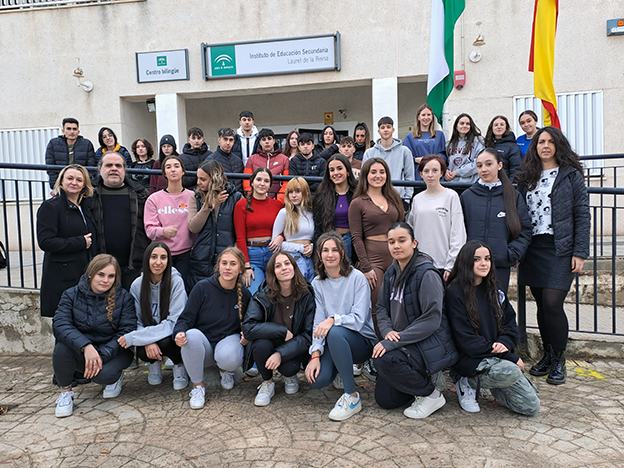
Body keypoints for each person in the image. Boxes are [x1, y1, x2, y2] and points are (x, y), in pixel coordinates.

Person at [516, 127, 590, 385]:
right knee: (540, 304)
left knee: (551, 303)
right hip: (533, 247)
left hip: (561, 248)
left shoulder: (571, 176)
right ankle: (547, 356)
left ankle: (560, 359)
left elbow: (582, 214)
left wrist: (580, 252)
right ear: (535, 147)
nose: (545, 146)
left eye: (550, 141)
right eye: (540, 142)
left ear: (559, 145)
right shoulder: (527, 177)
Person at [372, 223, 458, 418]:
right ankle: (423, 380)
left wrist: (395, 340)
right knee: (386, 400)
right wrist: (387, 332)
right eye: (391, 242)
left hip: (427, 343)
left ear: (414, 243)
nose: (396, 246)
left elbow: (431, 320)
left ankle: (432, 394)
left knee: (383, 358)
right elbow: (382, 307)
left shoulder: (427, 273)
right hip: (403, 343)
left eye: (402, 240)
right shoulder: (391, 272)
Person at [445, 241, 541, 416]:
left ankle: (497, 387)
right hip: (472, 360)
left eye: (487, 258)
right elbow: (466, 340)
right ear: (466, 261)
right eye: (477, 259)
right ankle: (466, 381)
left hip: (495, 356)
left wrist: (504, 342)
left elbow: (510, 324)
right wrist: (507, 355)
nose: (484, 263)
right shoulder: (455, 292)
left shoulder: (494, 289)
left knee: (531, 406)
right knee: (511, 370)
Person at [52, 254, 136, 418]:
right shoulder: (70, 295)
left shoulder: (124, 297)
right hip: (84, 350)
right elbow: (60, 325)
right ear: (91, 273)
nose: (106, 280)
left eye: (111, 276)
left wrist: (102, 354)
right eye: (101, 274)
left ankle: (116, 376)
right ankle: (66, 393)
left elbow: (127, 330)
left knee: (104, 376)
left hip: (114, 351)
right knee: (61, 349)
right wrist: (86, 346)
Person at [305, 232, 377, 421]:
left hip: (361, 341)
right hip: (335, 340)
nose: (330, 255)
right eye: (325, 250)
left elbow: (359, 319)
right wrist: (315, 355)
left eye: (335, 250)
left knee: (336, 332)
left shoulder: (357, 278)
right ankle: (341, 369)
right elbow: (318, 322)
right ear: (319, 255)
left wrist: (333, 320)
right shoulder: (318, 283)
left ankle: (351, 396)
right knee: (317, 380)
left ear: (343, 253)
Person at [173, 247, 252, 409]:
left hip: (227, 342)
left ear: (240, 269)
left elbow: (248, 322)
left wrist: (247, 333)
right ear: (218, 266)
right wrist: (179, 333)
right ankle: (198, 387)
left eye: (232, 264)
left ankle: (225, 370)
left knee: (230, 356)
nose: (228, 268)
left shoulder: (245, 294)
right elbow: (186, 318)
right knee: (191, 335)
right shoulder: (202, 288)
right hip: (204, 347)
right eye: (224, 263)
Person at [242, 251, 315, 406]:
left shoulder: (306, 295)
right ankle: (267, 382)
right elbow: (248, 327)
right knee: (260, 345)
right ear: (273, 272)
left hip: (292, 347)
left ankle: (289, 376)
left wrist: (280, 354)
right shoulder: (262, 295)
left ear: (294, 268)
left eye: (287, 263)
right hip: (268, 344)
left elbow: (308, 335)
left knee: (289, 368)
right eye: (278, 265)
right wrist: (281, 331)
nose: (284, 268)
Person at [118, 242, 188, 389]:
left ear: (168, 260)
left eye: (163, 257)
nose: (158, 262)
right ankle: (153, 363)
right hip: (150, 333)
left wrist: (137, 338)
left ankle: (178, 364)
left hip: (170, 335)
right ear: (146, 260)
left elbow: (174, 322)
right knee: (143, 350)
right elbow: (135, 319)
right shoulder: (137, 285)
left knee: (168, 341)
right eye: (153, 257)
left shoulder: (176, 281)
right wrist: (147, 341)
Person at [460, 148, 532, 293]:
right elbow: (458, 230)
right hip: (470, 267)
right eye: (479, 165)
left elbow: (525, 230)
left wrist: (511, 253)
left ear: (499, 165)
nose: (483, 169)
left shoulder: (514, 196)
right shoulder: (467, 196)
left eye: (488, 164)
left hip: (499, 266)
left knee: (497, 311)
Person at [348, 157, 405, 329]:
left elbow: (401, 227)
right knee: (377, 302)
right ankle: (379, 345)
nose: (378, 176)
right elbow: (356, 237)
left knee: (400, 302)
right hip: (373, 259)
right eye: (373, 172)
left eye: (381, 172)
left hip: (396, 256)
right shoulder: (357, 203)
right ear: (365, 175)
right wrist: (365, 266)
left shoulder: (393, 197)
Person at [37, 164, 97, 318]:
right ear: (61, 181)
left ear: (84, 184)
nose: (74, 182)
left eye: (79, 180)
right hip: (61, 277)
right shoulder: (50, 207)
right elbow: (45, 242)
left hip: (83, 274)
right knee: (64, 325)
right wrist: (80, 242)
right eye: (69, 178)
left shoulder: (86, 206)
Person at [87, 152, 150, 290]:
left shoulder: (141, 194)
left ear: (124, 170)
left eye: (118, 165)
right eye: (109, 165)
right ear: (100, 170)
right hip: (99, 266)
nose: (114, 168)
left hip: (133, 265)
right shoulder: (89, 195)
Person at [408, 155, 466, 281]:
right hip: (419, 264)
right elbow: (410, 230)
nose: (430, 175)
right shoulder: (417, 199)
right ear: (420, 174)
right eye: (426, 171)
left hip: (443, 266)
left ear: (442, 173)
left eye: (435, 171)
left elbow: (458, 233)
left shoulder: (451, 196)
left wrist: (451, 265)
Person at [187, 159, 242, 288]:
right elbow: (193, 228)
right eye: (198, 178)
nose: (198, 182)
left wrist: (234, 252)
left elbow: (240, 230)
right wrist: (208, 206)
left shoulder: (236, 197)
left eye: (203, 179)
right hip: (201, 258)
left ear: (214, 179)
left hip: (226, 259)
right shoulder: (196, 197)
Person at [144, 155, 195, 288]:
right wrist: (164, 231)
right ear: (164, 173)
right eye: (168, 167)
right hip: (162, 254)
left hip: (186, 253)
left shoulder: (193, 197)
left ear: (183, 171)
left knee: (183, 289)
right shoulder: (153, 199)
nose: (173, 170)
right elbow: (149, 230)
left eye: (176, 166)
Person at [234, 167, 284, 294]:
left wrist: (281, 236)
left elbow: (287, 228)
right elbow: (240, 237)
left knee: (276, 292)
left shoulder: (277, 205)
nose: (262, 183)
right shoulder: (242, 205)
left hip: (272, 251)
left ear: (270, 185)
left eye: (266, 181)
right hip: (252, 255)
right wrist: (246, 265)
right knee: (254, 293)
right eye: (259, 179)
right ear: (252, 182)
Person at [312, 154, 358, 262]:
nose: (336, 173)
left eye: (339, 168)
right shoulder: (322, 195)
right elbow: (318, 228)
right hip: (330, 243)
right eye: (332, 170)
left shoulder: (357, 193)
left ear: (347, 171)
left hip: (352, 243)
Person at [363, 116, 414, 207]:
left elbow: (409, 177)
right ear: (378, 131)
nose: (385, 130)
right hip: (375, 200)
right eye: (382, 127)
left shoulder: (404, 151)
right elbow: (364, 177)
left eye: (388, 127)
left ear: (393, 130)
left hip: (398, 199)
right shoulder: (369, 153)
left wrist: (407, 200)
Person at [271, 178, 315, 282]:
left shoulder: (312, 212)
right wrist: (300, 248)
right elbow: (275, 244)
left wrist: (312, 246)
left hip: (310, 257)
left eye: (298, 191)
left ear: (306, 192)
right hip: (292, 257)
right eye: (290, 192)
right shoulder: (284, 212)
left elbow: (315, 237)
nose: (293, 195)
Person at [45, 118, 96, 188]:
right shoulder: (53, 144)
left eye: (74, 129)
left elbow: (91, 166)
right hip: (61, 184)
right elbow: (50, 167)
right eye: (68, 129)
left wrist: (86, 184)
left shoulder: (87, 144)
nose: (72, 132)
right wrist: (55, 186)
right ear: (63, 131)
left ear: (78, 131)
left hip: (81, 184)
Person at [243, 128, 290, 201]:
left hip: (277, 203)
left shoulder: (284, 159)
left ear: (274, 141)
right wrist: (252, 197)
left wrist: (278, 200)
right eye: (264, 139)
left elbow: (287, 183)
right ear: (260, 142)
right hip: (255, 201)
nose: (267, 142)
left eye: (269, 139)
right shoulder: (252, 159)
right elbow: (247, 182)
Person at [403, 104, 446, 180]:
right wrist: (416, 159)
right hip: (418, 177)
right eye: (423, 115)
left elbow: (444, 155)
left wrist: (432, 160)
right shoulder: (409, 137)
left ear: (432, 117)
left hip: (436, 177)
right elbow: (405, 158)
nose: (426, 117)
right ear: (418, 117)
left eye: (428, 115)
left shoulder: (439, 135)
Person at [445, 113, 485, 185]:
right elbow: (446, 163)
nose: (464, 126)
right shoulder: (449, 144)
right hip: (452, 183)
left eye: (467, 124)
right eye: (462, 123)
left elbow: (479, 163)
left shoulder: (478, 141)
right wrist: (446, 171)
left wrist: (457, 172)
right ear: (456, 126)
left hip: (470, 184)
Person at [205, 127, 245, 193]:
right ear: (219, 140)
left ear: (234, 141)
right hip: (219, 198)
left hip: (238, 198)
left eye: (231, 140)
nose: (228, 143)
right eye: (225, 139)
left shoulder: (238, 160)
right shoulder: (211, 160)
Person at [484, 115, 522, 181]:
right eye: (496, 125)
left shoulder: (513, 147)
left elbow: (516, 169)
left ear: (506, 127)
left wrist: (510, 186)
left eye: (502, 124)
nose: (499, 127)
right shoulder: (486, 145)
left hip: (505, 185)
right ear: (491, 128)